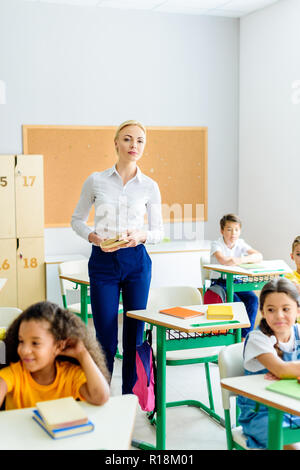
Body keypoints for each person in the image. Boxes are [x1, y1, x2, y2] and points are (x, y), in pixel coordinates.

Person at [71, 120, 164, 394]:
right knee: (106, 338)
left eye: (139, 141)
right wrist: (94, 237)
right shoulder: (96, 180)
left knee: (134, 336)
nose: (133, 145)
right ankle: (102, 397)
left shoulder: (149, 186)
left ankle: (128, 400)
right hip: (103, 262)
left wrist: (141, 235)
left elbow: (158, 231)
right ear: (115, 143)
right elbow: (77, 220)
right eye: (127, 139)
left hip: (136, 261)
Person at [0, 301, 110, 410]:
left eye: (35, 343)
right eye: (21, 341)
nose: (24, 350)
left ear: (59, 346)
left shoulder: (70, 375)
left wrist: (82, 353)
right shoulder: (14, 374)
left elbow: (100, 397)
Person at [237, 278, 300, 449]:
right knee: (291, 446)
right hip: (261, 414)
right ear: (263, 311)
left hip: (293, 407)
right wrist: (285, 372)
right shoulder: (258, 338)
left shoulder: (298, 332)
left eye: (286, 309)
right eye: (271, 310)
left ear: (298, 310)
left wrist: (289, 371)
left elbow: (284, 371)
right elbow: (281, 370)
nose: (279, 315)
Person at [210, 213, 263, 337]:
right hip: (220, 282)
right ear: (222, 231)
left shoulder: (240, 243)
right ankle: (235, 335)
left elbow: (259, 256)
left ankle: (245, 336)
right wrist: (242, 259)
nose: (233, 233)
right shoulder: (216, 244)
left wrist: (239, 260)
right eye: (229, 229)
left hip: (237, 281)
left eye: (236, 229)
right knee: (238, 304)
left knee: (253, 299)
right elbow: (224, 261)